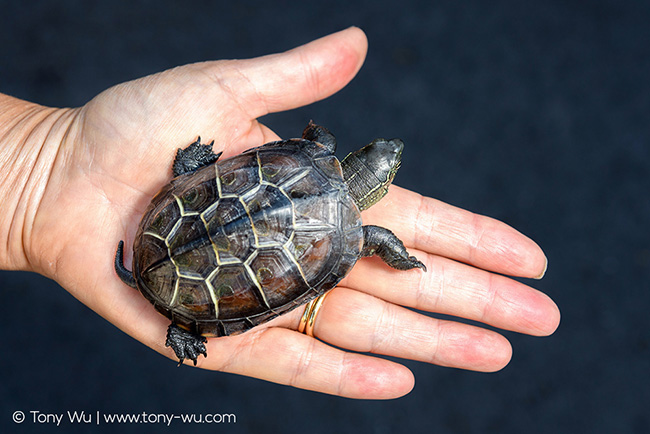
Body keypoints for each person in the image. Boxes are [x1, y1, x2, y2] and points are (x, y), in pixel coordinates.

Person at [0, 27, 559, 399]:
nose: (386, 157)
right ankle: (185, 328)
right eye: (387, 163)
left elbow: (312, 146)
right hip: (184, 282)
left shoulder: (313, 155)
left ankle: (184, 312)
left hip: (165, 229)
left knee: (211, 183)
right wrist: (402, 258)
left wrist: (40, 168)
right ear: (378, 181)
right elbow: (379, 238)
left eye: (386, 160)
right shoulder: (353, 235)